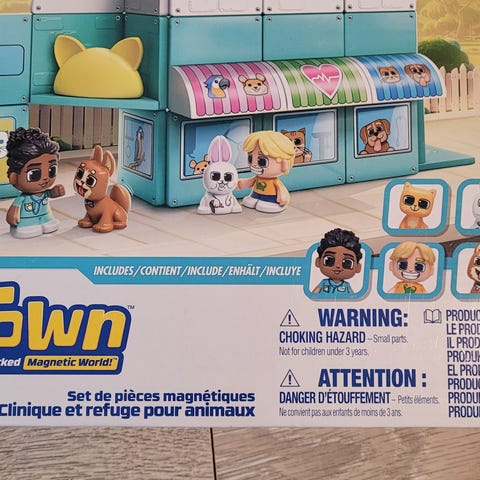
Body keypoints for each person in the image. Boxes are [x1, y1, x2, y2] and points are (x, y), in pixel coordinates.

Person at [6, 127, 65, 238]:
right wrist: (12, 215)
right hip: (26, 222)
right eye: (34, 174)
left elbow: (50, 193)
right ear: (14, 177)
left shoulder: (44, 193)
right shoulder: (23, 198)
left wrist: (55, 192)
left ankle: (47, 221)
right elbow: (15, 207)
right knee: (28, 229)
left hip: (46, 217)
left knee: (49, 223)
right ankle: (27, 226)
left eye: (51, 170)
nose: (45, 178)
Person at [238, 130, 295, 213]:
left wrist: (283, 198)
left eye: (262, 161)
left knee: (263, 205)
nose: (254, 164)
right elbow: (250, 182)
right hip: (255, 195)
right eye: (250, 158)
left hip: (270, 198)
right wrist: (239, 184)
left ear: (283, 164)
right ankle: (255, 198)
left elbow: (281, 189)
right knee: (251, 202)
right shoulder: (257, 178)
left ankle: (267, 202)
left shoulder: (274, 181)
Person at [312, 228, 363, 296]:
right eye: (329, 260)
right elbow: (314, 294)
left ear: (357, 267)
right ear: (318, 262)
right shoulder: (324, 282)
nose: (338, 266)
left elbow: (353, 296)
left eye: (347, 263)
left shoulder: (346, 285)